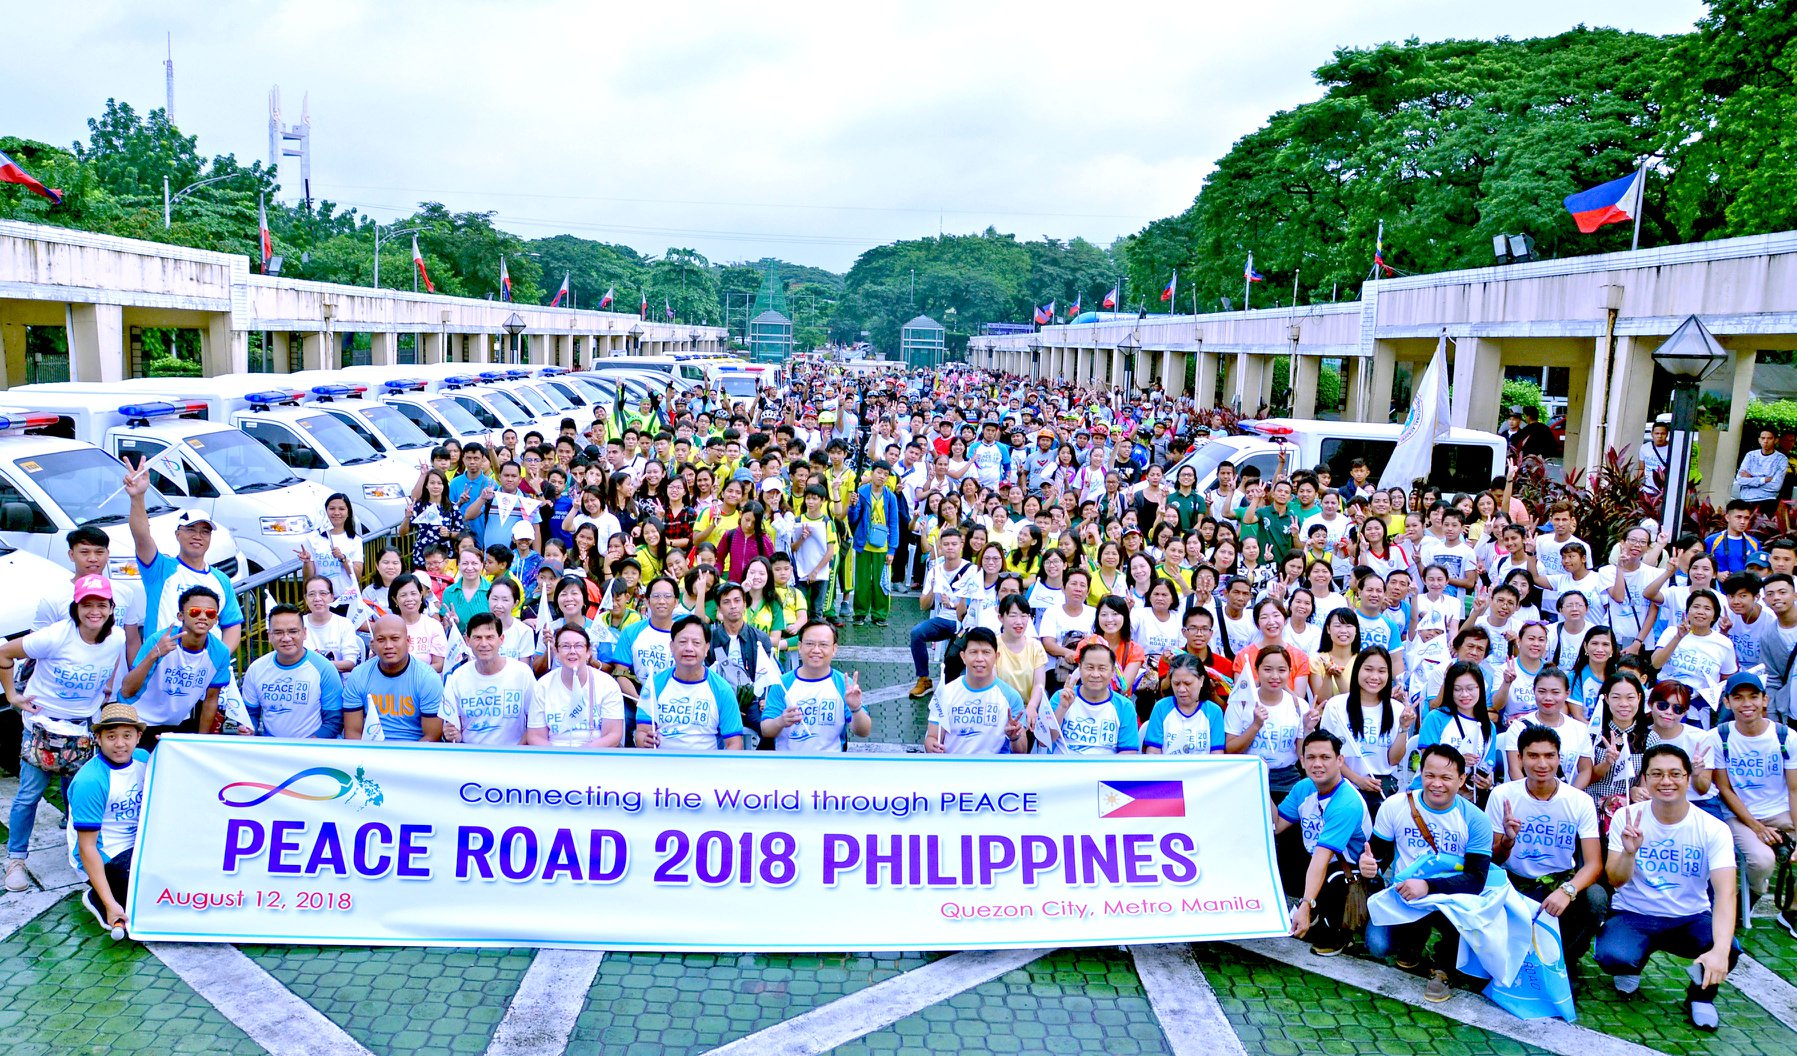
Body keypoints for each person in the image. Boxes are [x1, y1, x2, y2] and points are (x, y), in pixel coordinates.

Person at [1596, 744, 1739, 1032]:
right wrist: (1628, 853)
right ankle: (1631, 965)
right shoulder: (1627, 817)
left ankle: (1701, 996)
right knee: (1613, 956)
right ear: (1644, 778)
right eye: (1657, 774)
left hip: (1689, 916)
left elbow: (1725, 893)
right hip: (1634, 913)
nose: (1666, 781)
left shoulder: (1714, 828)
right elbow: (1615, 880)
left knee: (1729, 947)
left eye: (1675, 774)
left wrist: (1721, 949)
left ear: (1688, 778)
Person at [1, 574, 127, 893]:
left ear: (111, 608)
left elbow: (110, 662)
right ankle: (15, 859)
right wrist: (12, 696)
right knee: (30, 795)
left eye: (102, 604)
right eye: (87, 605)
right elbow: (4, 654)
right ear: (76, 608)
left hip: (82, 729)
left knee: (79, 796)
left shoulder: (118, 638)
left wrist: (106, 688)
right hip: (43, 727)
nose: (94, 611)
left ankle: (84, 857)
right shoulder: (55, 636)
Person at [1359, 744, 1494, 1002]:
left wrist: (1429, 886)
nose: (1436, 784)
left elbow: (1477, 880)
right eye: (1430, 775)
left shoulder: (1476, 820)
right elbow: (1378, 854)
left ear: (1462, 779)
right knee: (1378, 945)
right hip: (1406, 893)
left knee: (1460, 917)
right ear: (1420, 773)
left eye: (1446, 777)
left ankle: (1445, 967)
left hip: (1452, 898)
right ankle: (1413, 939)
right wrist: (1368, 863)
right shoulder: (1396, 806)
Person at [1485, 725, 1606, 964]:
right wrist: (1508, 841)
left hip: (1560, 881)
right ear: (1520, 758)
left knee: (1596, 898)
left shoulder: (1579, 801)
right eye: (1533, 756)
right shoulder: (1502, 795)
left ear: (1559, 758)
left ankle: (1565, 960)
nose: (1542, 764)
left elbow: (1594, 865)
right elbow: (1491, 858)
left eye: (1549, 756)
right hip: (1513, 882)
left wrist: (1567, 891)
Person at [1700, 672, 1797, 937]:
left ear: (1765, 700)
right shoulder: (1718, 737)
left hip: (1781, 811)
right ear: (1728, 702)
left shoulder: (1786, 737)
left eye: (1753, 697)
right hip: (1740, 815)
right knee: (1762, 862)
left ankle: (1792, 911)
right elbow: (1724, 788)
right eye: (1738, 698)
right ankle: (1751, 895)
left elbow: (1794, 789)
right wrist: (1755, 826)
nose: (1747, 704)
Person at [1275, 731, 1373, 957]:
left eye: (1325, 757)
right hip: (1317, 857)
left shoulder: (1346, 802)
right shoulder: (1303, 787)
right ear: (1302, 761)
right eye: (1310, 757)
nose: (1317, 764)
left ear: (1340, 760)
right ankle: (1314, 907)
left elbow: (1322, 857)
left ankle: (1339, 930)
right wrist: (1260, 780)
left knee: (1329, 886)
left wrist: (1305, 904)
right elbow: (1277, 825)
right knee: (1282, 848)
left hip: (1348, 869)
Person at [125, 465, 243, 650]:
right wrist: (137, 497)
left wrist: (220, 658)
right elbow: (141, 536)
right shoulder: (159, 569)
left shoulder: (221, 580)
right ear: (177, 534)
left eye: (205, 532)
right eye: (191, 530)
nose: (198, 536)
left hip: (204, 669)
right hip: (163, 663)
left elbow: (232, 624)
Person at [67, 703, 151, 938]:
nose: (120, 744)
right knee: (142, 890)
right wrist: (110, 903)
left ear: (138, 737)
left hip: (138, 844)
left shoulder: (143, 759)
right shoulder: (91, 781)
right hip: (106, 854)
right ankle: (98, 896)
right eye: (111, 736)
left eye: (127, 736)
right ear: (98, 738)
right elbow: (87, 847)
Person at [121, 585, 234, 747]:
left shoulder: (220, 652)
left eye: (210, 613)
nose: (203, 617)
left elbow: (211, 700)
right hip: (137, 720)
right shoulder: (160, 640)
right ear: (181, 616)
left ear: (216, 620)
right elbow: (126, 690)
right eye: (195, 612)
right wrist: (155, 654)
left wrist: (201, 742)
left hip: (177, 724)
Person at [33, 525, 146, 663]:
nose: (93, 558)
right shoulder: (53, 599)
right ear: (71, 555)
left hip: (116, 684)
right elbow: (35, 646)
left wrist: (135, 679)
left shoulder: (125, 593)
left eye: (99, 552)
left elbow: (132, 642)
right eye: (85, 552)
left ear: (107, 554)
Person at [635, 615, 746, 750]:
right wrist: (644, 741)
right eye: (682, 642)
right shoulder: (654, 685)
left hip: (706, 767)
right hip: (662, 765)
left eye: (696, 643)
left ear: (706, 649)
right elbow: (642, 732)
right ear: (671, 646)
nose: (689, 648)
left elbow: (733, 742)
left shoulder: (722, 689)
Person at [758, 620, 871, 752]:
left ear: (834, 649)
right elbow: (766, 730)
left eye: (823, 644)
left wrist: (856, 708)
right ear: (800, 646)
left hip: (830, 765)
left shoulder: (844, 684)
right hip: (787, 764)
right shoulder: (782, 683)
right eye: (810, 644)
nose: (816, 650)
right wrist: (781, 721)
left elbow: (864, 731)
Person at [241, 604, 344, 739]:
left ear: (304, 633)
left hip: (315, 749)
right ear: (269, 636)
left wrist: (306, 746)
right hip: (271, 749)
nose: (286, 638)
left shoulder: (324, 669)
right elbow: (250, 714)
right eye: (278, 632)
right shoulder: (256, 669)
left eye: (293, 631)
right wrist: (248, 729)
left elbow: (334, 721)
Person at [925, 627, 1028, 754]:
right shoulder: (946, 692)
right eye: (973, 652)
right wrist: (931, 746)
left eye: (986, 652)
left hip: (995, 771)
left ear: (996, 656)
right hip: (953, 769)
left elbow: (1022, 751)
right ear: (963, 657)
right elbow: (932, 737)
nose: (980, 658)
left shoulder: (1011, 697)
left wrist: (1015, 737)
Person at [342, 614, 444, 742]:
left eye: (395, 638)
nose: (388, 645)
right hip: (369, 752)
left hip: (415, 752)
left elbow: (432, 737)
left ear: (408, 641)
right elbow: (352, 733)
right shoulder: (358, 676)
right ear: (372, 644)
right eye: (381, 640)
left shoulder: (428, 678)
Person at [439, 613, 536, 746]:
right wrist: (452, 735)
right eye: (477, 638)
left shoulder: (522, 673)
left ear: (501, 639)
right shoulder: (457, 676)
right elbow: (452, 726)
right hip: (469, 755)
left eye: (490, 637)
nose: (484, 644)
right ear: (468, 641)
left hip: (513, 756)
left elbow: (535, 723)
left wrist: (516, 752)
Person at [526, 624, 626, 748]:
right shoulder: (543, 685)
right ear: (556, 652)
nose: (572, 651)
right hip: (554, 758)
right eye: (565, 646)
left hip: (596, 756)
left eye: (578, 646)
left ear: (589, 652)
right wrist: (562, 757)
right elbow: (535, 736)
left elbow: (613, 735)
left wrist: (580, 754)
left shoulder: (608, 684)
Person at [909, 527, 973, 699]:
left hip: (964, 623)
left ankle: (955, 686)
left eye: (954, 544)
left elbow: (972, 606)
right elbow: (923, 605)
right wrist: (932, 589)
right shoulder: (935, 570)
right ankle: (923, 678)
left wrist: (954, 604)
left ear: (961, 545)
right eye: (946, 544)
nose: (950, 547)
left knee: (951, 657)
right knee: (917, 633)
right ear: (941, 547)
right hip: (943, 620)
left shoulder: (971, 570)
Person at [1045, 641, 1140, 755]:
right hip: (1063, 769)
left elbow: (1128, 752)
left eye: (1102, 668)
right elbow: (1045, 741)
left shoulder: (1124, 706)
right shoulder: (1062, 696)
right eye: (1090, 667)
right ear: (1080, 668)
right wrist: (1062, 708)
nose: (1095, 674)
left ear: (1112, 672)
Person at [846, 459, 900, 626]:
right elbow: (853, 519)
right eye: (879, 473)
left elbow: (894, 523)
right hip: (863, 543)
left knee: (881, 582)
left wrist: (892, 549)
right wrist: (853, 506)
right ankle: (860, 613)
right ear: (871, 473)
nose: (882, 477)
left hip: (882, 545)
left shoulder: (890, 497)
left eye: (886, 474)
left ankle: (879, 615)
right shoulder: (861, 492)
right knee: (861, 581)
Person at [1143, 653, 1226, 755]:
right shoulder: (1161, 708)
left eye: (1188, 683)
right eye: (1176, 683)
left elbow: (1217, 756)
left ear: (1201, 681)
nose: (1181, 689)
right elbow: (1153, 753)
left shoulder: (1214, 711)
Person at [295, 493, 363, 612]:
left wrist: (343, 559)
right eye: (332, 508)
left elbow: (357, 575)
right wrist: (306, 562)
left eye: (341, 509)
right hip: (321, 601)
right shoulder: (313, 538)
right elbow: (309, 577)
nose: (336, 513)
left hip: (347, 599)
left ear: (348, 513)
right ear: (325, 511)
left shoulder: (355, 540)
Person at [1735, 429, 1787, 519]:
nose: (1765, 441)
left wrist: (1751, 477)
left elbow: (1775, 486)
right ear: (1759, 440)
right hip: (1746, 500)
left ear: (1776, 440)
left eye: (1769, 438)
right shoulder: (1750, 455)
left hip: (1767, 501)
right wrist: (1763, 479)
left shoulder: (1781, 459)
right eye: (1763, 438)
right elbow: (1740, 480)